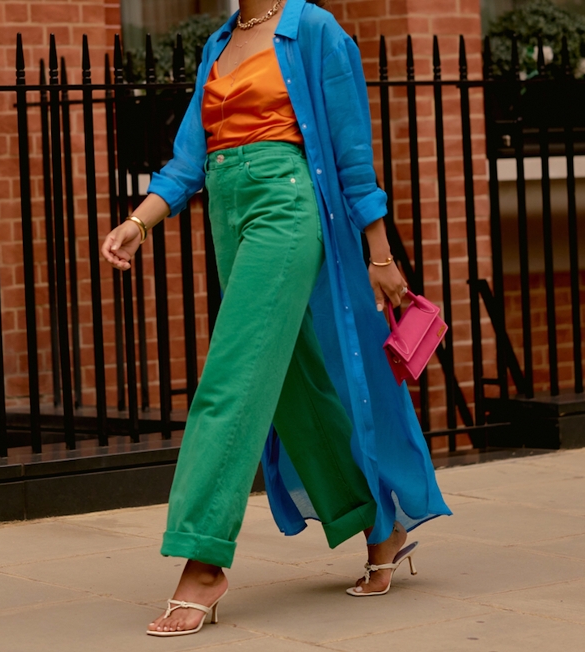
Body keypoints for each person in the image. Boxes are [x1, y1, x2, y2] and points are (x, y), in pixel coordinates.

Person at [102, 0, 451, 637]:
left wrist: (379, 252)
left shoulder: (313, 30)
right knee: (291, 381)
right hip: (228, 217)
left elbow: (350, 149)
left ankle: (203, 558)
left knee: (231, 380)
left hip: (285, 209)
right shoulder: (218, 44)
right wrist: (137, 222)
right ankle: (379, 522)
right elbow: (189, 159)